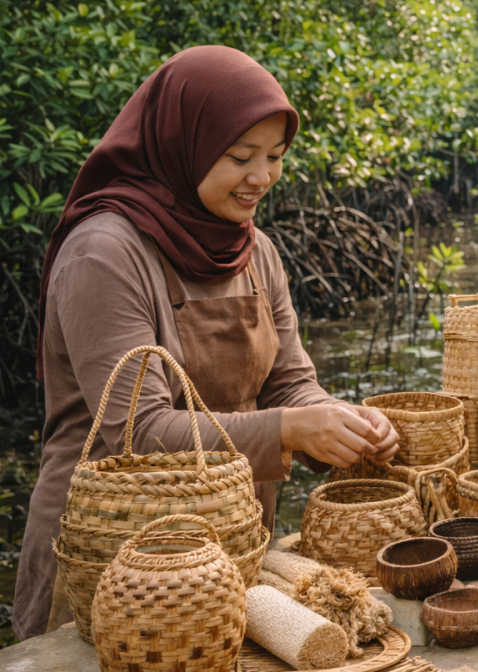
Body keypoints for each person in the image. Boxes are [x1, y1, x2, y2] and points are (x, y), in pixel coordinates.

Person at [14, 46, 400, 640]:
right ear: (180, 144)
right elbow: (134, 435)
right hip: (110, 554)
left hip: (227, 544)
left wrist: (339, 421)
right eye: (240, 156)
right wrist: (288, 432)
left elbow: (288, 381)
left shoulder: (254, 248)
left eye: (274, 157)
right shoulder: (105, 253)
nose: (263, 177)